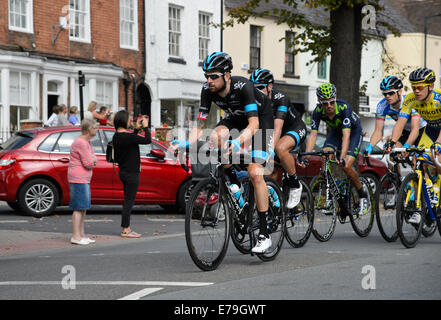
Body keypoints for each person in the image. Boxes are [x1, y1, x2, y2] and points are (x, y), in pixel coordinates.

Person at [172, 52, 275, 253]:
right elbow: (200, 124)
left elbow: (253, 124)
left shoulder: (243, 86)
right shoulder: (207, 90)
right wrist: (187, 142)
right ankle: (234, 183)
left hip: (260, 120)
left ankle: (264, 233)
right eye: (206, 76)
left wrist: (237, 142)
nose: (209, 81)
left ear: (227, 75)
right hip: (236, 117)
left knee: (255, 172)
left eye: (214, 76)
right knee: (215, 137)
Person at [299, 82, 368, 215]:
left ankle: (362, 194)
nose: (329, 106)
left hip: (353, 132)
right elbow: (313, 134)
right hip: (335, 133)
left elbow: (346, 135)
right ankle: (330, 196)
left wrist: (342, 156)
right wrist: (307, 156)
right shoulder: (318, 111)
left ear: (335, 98)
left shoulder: (344, 108)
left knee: (346, 165)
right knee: (325, 158)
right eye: (325, 103)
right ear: (320, 102)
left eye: (331, 102)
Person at [389, 68, 441, 224]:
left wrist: (438, 143)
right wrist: (393, 142)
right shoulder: (410, 99)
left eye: (420, 87)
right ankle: (419, 207)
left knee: (438, 158)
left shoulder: (439, 98)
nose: (416, 91)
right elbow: (401, 122)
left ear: (430, 87)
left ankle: (437, 188)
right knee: (419, 160)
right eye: (413, 87)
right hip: (430, 130)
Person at [249, 68, 306, 209]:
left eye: (260, 87)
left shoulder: (280, 98)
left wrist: (268, 150)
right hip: (272, 131)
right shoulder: (253, 101)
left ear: (270, 86)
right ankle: (273, 204)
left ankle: (295, 183)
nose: (256, 91)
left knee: (279, 148)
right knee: (264, 171)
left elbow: (278, 128)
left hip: (294, 128)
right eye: (253, 88)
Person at [365, 76, 425, 163]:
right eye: (385, 94)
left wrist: (407, 146)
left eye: (391, 93)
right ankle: (398, 176)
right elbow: (378, 130)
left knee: (418, 161)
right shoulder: (382, 105)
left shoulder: (409, 103)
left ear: (399, 91)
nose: (387, 96)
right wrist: (370, 147)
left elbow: (415, 129)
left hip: (421, 130)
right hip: (405, 131)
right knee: (393, 155)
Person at [112, 110, 150, 238]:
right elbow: (147, 140)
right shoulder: (128, 137)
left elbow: (130, 141)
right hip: (132, 174)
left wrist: (135, 130)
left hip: (123, 172)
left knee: (127, 200)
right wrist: (145, 127)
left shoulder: (116, 136)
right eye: (129, 120)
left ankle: (126, 228)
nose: (131, 121)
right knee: (129, 202)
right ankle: (126, 229)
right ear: (124, 121)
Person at [68, 119, 98, 245]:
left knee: (83, 207)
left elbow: (92, 158)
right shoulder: (81, 143)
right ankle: (76, 236)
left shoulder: (87, 142)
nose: (97, 129)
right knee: (79, 207)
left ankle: (82, 235)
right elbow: (88, 163)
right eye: (95, 127)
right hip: (78, 178)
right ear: (88, 129)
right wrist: (93, 160)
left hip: (83, 178)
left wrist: (93, 159)